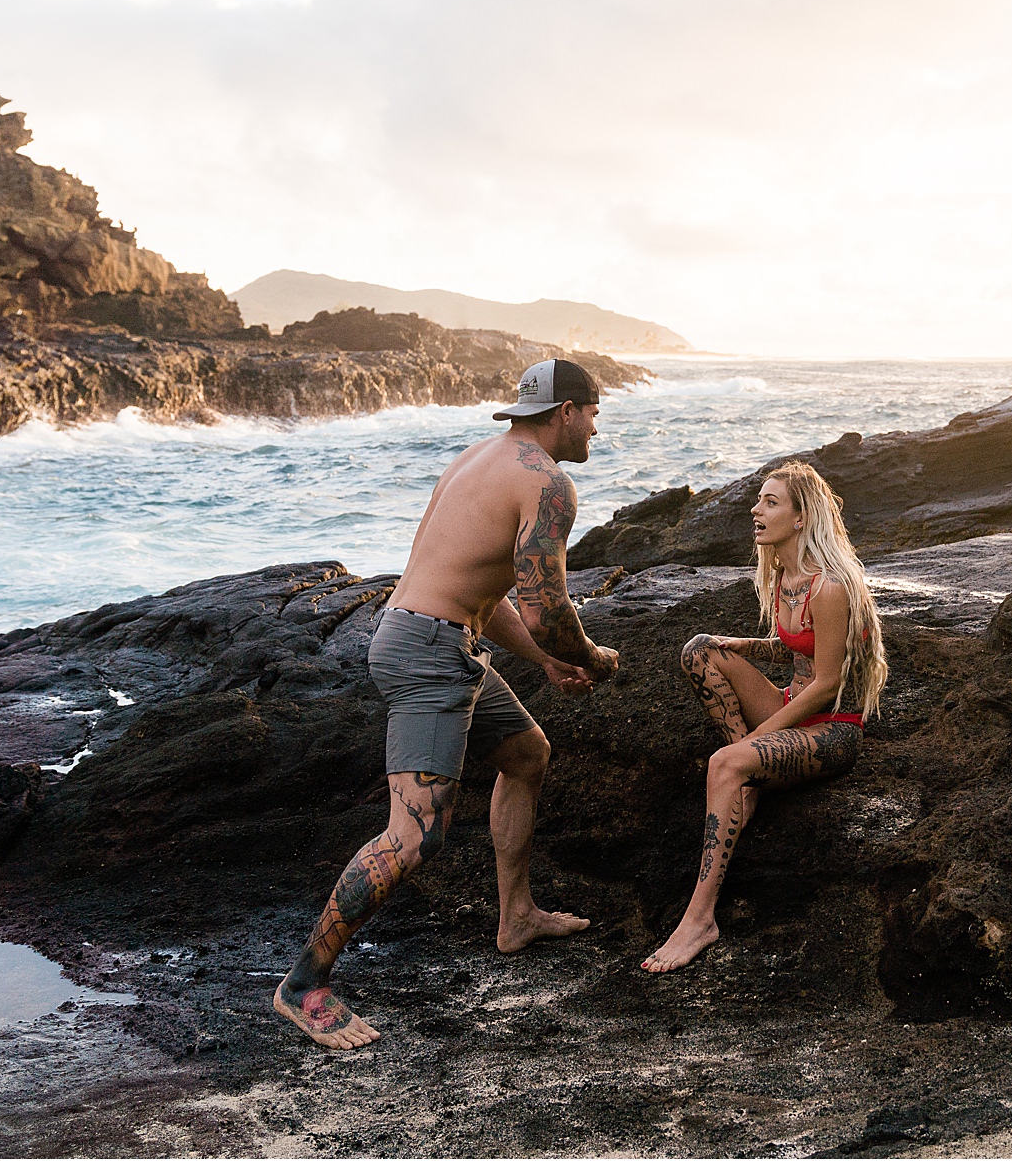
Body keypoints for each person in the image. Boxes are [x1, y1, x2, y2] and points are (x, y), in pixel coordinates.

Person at [275, 358, 621, 1049]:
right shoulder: (548, 484)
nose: (594, 428)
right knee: (415, 834)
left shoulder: (480, 458)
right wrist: (588, 655)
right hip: (427, 653)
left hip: (429, 636)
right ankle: (303, 985)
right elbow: (548, 608)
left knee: (527, 754)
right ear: (565, 412)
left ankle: (515, 916)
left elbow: (482, 598)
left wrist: (545, 660)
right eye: (593, 413)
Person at [643, 461, 887, 973]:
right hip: (788, 710)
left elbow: (824, 684)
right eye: (760, 500)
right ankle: (749, 777)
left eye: (771, 502)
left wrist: (755, 738)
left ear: (801, 518)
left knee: (724, 765)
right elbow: (798, 649)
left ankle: (700, 919)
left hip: (832, 731)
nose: (755, 510)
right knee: (699, 649)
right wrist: (743, 646)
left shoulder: (831, 586)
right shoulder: (783, 573)